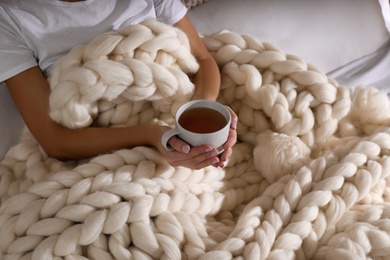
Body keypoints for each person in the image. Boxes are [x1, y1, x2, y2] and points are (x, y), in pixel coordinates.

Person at [0, 0, 237, 170]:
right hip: (99, 153)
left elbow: (203, 59)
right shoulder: (10, 16)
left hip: (175, 128)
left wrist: (199, 120)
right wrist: (153, 136)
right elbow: (55, 139)